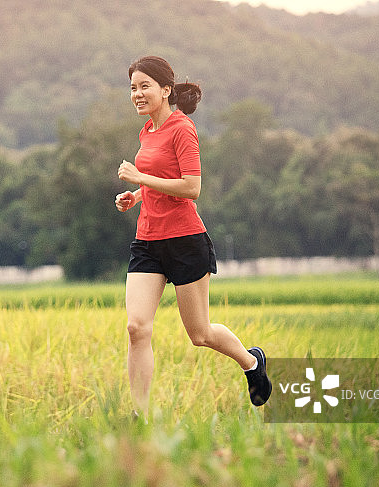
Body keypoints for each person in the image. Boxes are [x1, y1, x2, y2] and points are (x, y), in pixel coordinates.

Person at [115, 56, 271, 421]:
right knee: (136, 328)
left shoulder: (183, 129)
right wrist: (135, 197)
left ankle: (251, 362)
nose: (137, 94)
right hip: (148, 241)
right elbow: (157, 178)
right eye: (133, 88)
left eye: (144, 87)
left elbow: (191, 187)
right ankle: (141, 415)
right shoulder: (147, 132)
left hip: (185, 241)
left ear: (166, 90)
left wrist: (140, 180)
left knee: (199, 334)